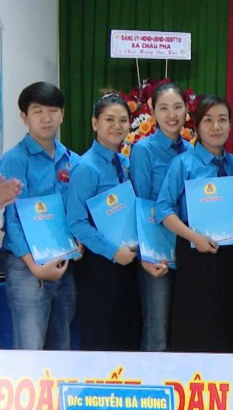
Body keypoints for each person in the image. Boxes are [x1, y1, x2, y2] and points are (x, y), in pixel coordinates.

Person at [157, 95, 233, 353]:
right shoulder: (183, 163)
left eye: (222, 120)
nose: (216, 127)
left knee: (228, 323)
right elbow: (163, 208)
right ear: (196, 125)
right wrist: (193, 237)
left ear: (230, 125)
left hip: (230, 256)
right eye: (209, 120)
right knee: (195, 326)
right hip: (194, 253)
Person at [0, 82, 77, 350]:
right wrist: (34, 266)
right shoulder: (14, 160)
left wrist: (79, 241)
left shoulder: (73, 160)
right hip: (27, 268)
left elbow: (77, 211)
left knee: (62, 347)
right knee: (31, 351)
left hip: (64, 264)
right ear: (24, 117)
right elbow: (14, 219)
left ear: (62, 114)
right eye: (37, 111)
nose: (46, 118)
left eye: (53, 110)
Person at [66, 93, 141, 350]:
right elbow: (75, 222)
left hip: (129, 263)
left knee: (127, 334)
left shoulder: (125, 162)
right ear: (94, 123)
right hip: (100, 265)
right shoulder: (86, 168)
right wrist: (112, 252)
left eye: (122, 120)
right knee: (102, 338)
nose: (117, 126)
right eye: (109, 119)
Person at [128, 82, 192, 352]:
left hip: (186, 249)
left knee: (181, 328)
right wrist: (146, 256)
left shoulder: (191, 151)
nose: (172, 114)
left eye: (177, 106)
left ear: (187, 109)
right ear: (152, 111)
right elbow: (141, 205)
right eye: (164, 108)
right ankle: (151, 392)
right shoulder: (143, 150)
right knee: (157, 332)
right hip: (157, 254)